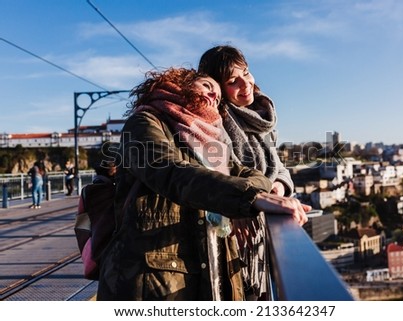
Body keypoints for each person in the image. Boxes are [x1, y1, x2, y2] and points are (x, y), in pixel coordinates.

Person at [96, 67, 308, 301]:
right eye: (207, 86)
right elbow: (172, 172)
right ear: (180, 84)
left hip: (208, 274)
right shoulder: (144, 123)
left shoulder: (210, 140)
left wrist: (252, 193)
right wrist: (250, 198)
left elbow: (253, 175)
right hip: (151, 284)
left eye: (217, 96)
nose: (212, 96)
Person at [198, 45, 302, 300]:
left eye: (247, 73)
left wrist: (276, 188)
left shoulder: (260, 117)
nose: (246, 84)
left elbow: (280, 169)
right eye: (234, 81)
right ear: (217, 88)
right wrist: (246, 201)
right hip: (233, 237)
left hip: (261, 232)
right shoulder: (212, 122)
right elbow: (214, 175)